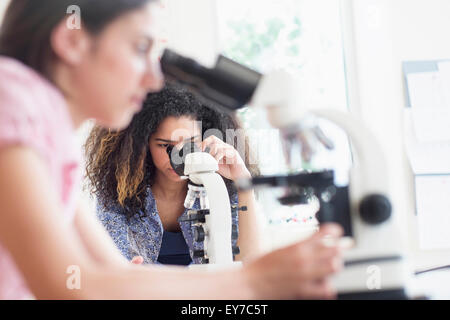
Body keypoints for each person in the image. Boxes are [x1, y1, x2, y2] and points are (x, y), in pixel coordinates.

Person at [0, 0, 344, 300]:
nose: (153, 78)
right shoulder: (11, 101)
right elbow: (71, 287)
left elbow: (112, 274)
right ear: (73, 39)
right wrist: (258, 281)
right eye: (140, 47)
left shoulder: (48, 135)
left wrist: (261, 277)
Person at [85, 83, 263, 265]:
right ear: (144, 145)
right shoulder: (117, 192)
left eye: (190, 143)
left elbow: (249, 262)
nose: (179, 158)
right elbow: (113, 267)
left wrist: (244, 182)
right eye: (164, 146)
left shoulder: (219, 185)